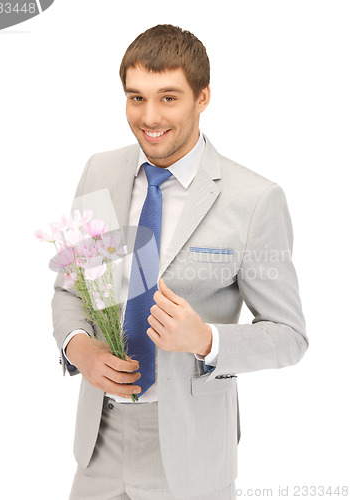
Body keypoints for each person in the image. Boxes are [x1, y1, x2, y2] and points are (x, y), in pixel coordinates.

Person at [52, 24, 308, 500]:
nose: (149, 116)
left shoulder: (254, 200)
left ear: (203, 97)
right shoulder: (100, 171)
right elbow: (72, 287)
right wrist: (79, 348)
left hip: (191, 454)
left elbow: (290, 337)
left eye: (168, 97)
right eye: (136, 97)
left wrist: (208, 340)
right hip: (98, 444)